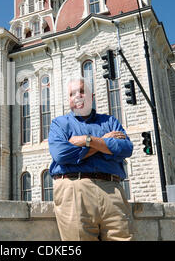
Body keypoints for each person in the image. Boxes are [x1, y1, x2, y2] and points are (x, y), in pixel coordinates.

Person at [48, 76, 134, 241]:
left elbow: (126, 148)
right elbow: (62, 154)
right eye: (73, 93)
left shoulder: (110, 122)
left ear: (91, 96)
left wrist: (87, 140)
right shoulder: (59, 124)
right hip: (74, 188)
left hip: (112, 189)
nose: (78, 96)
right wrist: (104, 143)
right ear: (69, 99)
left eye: (82, 91)